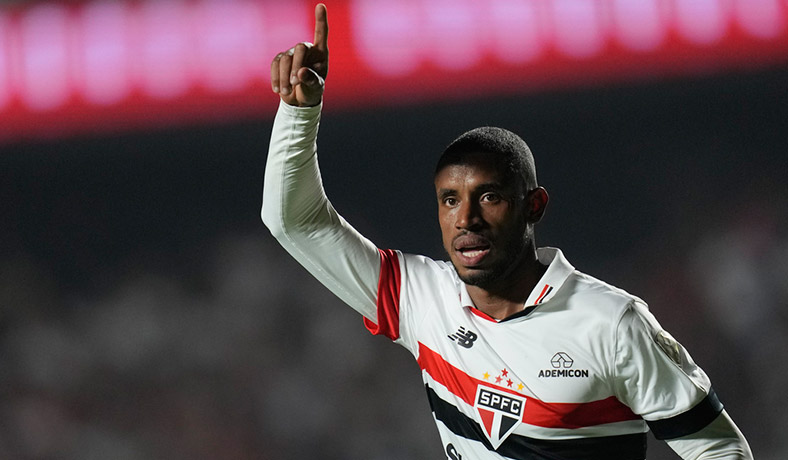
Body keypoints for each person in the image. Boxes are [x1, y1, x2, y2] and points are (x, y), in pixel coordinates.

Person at [262, 4, 752, 459]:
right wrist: (297, 114)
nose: (466, 219)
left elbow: (719, 450)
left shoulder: (610, 323)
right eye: (449, 201)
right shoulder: (421, 299)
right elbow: (294, 222)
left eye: (489, 197)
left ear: (534, 206)